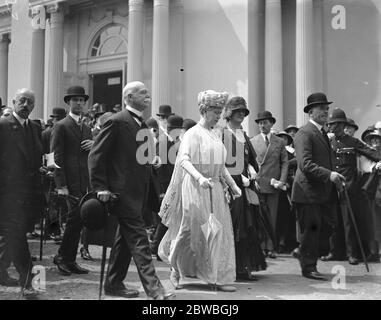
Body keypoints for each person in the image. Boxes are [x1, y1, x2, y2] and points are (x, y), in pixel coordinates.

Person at [88, 81, 174, 300]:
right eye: (142, 93)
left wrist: (151, 160)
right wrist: (101, 188)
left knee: (124, 242)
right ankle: (156, 291)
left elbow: (136, 157)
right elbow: (96, 155)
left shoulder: (143, 124)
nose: (148, 96)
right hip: (122, 194)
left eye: (147, 93)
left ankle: (113, 284)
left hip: (139, 192)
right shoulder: (116, 121)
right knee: (139, 241)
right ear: (128, 97)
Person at [158, 90, 241, 292]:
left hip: (214, 188)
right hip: (195, 186)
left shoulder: (215, 135)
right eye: (215, 111)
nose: (219, 116)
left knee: (215, 231)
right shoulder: (192, 134)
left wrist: (232, 185)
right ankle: (175, 270)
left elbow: (221, 167)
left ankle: (215, 278)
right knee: (189, 229)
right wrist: (199, 177)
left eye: (220, 112)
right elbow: (184, 160)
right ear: (204, 110)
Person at [291, 92, 345, 280]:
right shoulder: (304, 133)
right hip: (307, 192)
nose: (325, 111)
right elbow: (305, 164)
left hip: (322, 192)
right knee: (312, 230)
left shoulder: (321, 133)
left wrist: (334, 177)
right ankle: (308, 267)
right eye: (321, 108)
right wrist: (329, 175)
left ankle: (303, 250)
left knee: (330, 225)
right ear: (310, 112)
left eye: (326, 108)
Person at [321, 108, 381, 265]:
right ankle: (334, 252)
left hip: (349, 187)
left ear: (341, 124)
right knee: (333, 220)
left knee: (349, 221)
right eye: (330, 124)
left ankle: (351, 254)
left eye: (333, 124)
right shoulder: (327, 142)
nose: (331, 127)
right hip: (332, 187)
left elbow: (370, 152)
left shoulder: (352, 142)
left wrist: (379, 159)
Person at [0, 89, 44, 296]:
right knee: (17, 236)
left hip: (28, 193)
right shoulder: (3, 125)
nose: (26, 105)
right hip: (7, 193)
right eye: (22, 101)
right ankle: (29, 282)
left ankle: (1, 272)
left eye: (30, 102)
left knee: (11, 235)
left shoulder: (34, 128)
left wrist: (42, 169)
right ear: (14, 102)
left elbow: (35, 156)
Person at [222, 96, 266, 281]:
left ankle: (245, 266)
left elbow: (250, 159)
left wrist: (250, 169)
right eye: (238, 111)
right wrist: (236, 177)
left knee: (249, 227)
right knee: (235, 227)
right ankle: (234, 268)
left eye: (243, 111)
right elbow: (221, 163)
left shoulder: (243, 134)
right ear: (230, 113)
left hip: (247, 187)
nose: (241, 114)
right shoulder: (223, 134)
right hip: (231, 188)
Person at [51, 86, 93, 276]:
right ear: (68, 103)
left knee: (78, 221)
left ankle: (69, 259)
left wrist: (94, 144)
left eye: (82, 100)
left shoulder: (86, 127)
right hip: (69, 183)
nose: (79, 103)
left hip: (84, 182)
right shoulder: (61, 126)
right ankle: (62, 257)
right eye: (75, 100)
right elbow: (56, 158)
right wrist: (61, 186)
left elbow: (90, 157)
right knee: (72, 220)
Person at [251, 111, 289, 258]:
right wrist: (254, 180)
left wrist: (282, 180)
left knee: (272, 217)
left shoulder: (279, 142)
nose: (262, 125)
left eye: (265, 122)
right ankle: (261, 247)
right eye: (260, 123)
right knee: (260, 217)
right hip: (259, 184)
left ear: (272, 124)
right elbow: (250, 163)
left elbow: (284, 162)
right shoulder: (253, 141)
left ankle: (271, 247)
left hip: (274, 185)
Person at [150, 115, 183, 260]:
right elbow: (159, 170)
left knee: (165, 218)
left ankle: (158, 247)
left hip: (170, 187)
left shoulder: (170, 142)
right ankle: (156, 247)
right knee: (164, 219)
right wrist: (161, 191)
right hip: (164, 188)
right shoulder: (163, 143)